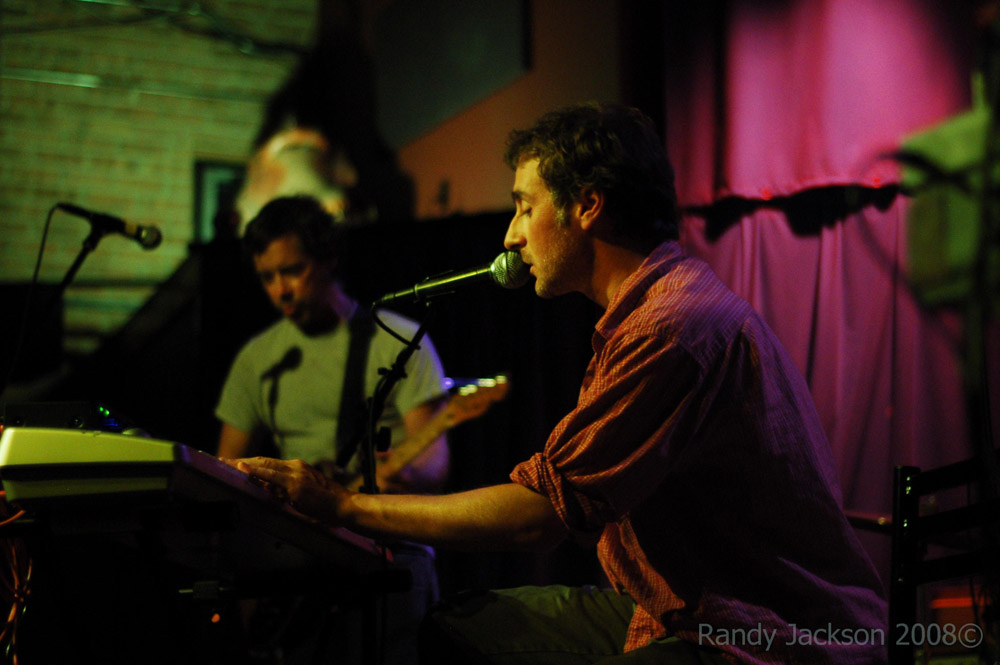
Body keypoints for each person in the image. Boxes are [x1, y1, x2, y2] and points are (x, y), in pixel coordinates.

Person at [226, 103, 889, 665]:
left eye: (523, 205)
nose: (511, 234)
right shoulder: (644, 314)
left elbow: (540, 516)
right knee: (459, 627)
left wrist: (343, 508)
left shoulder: (669, 327)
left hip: (760, 634)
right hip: (680, 612)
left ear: (588, 205)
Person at [215, 194, 450, 664]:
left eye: (293, 270)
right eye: (267, 277)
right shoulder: (258, 359)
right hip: (295, 560)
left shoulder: (397, 341)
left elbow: (434, 464)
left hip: (388, 548)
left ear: (329, 260)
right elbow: (225, 470)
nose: (280, 290)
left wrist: (374, 485)